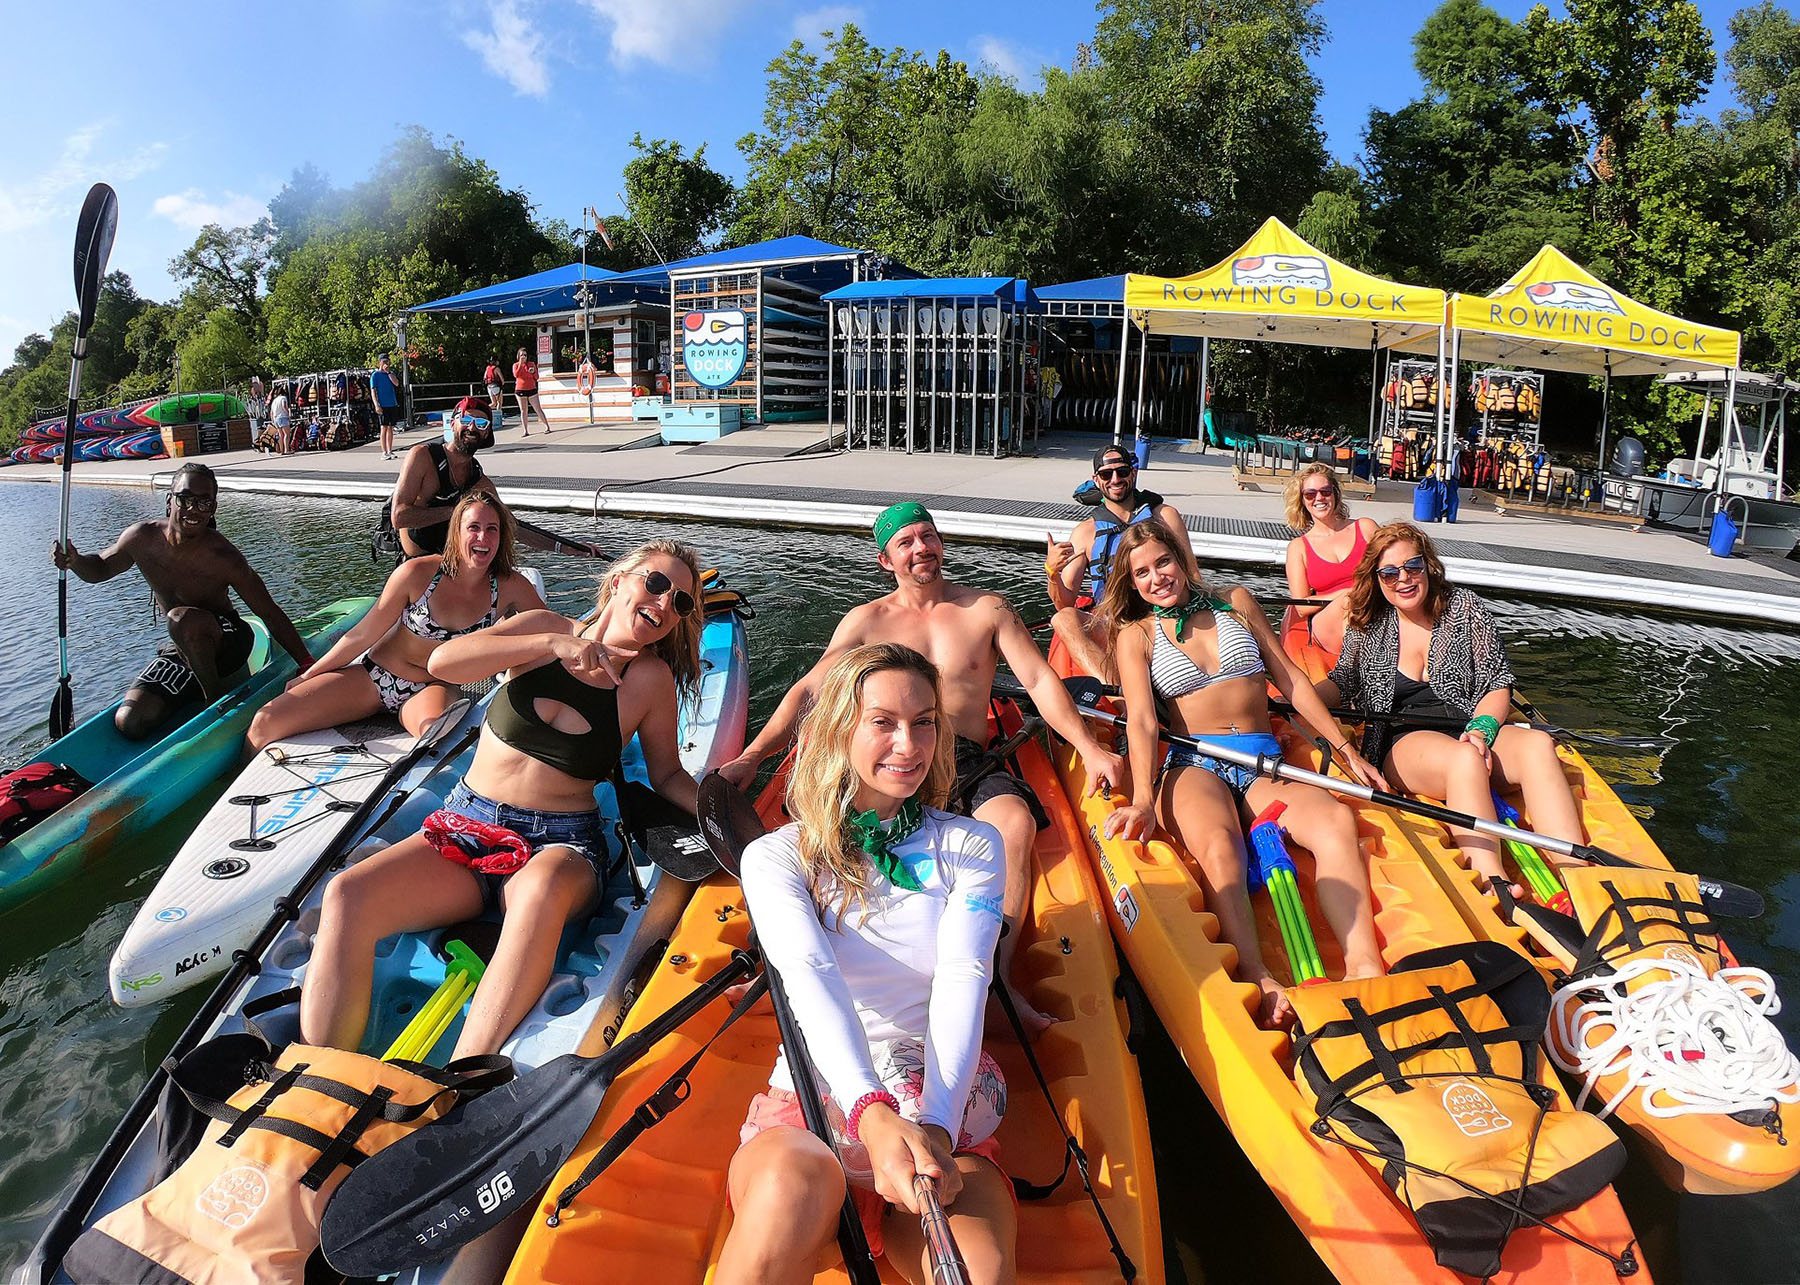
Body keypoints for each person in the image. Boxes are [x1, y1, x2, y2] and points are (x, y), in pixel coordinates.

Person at [721, 501, 1123, 1035]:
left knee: (1015, 824)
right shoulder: (868, 621)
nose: (920, 549)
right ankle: (777, 972)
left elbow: (1041, 683)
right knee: (830, 838)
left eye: (927, 536)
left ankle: (993, 983)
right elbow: (809, 692)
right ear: (886, 559)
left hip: (963, 758)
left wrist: (1090, 749)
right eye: (905, 542)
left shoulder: (986, 610)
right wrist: (753, 754)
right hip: (891, 759)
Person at [299, 538, 705, 1057]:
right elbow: (445, 663)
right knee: (347, 896)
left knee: (539, 890)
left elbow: (667, 773)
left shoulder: (650, 679)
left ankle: (461, 1079)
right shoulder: (543, 626)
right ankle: (316, 1075)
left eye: (682, 602)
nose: (667, 602)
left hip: (561, 845)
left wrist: (732, 824)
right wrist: (550, 646)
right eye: (656, 583)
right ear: (620, 580)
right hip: (466, 826)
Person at [725, 643, 1015, 1285]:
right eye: (883, 722)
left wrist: (935, 1125)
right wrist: (869, 1114)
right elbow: (808, 974)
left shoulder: (970, 845)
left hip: (939, 1100)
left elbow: (965, 980)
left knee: (977, 1275)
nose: (909, 745)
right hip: (817, 1102)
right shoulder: (778, 858)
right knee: (785, 1191)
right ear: (839, 729)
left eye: (925, 722)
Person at [1099, 518, 1385, 1028]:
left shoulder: (1237, 601)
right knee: (1219, 843)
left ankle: (1364, 961)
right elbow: (1142, 720)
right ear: (1132, 583)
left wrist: (1344, 750)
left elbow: (1292, 682)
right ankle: (1257, 975)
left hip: (1263, 759)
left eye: (1163, 562)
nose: (1156, 578)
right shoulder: (1137, 635)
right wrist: (1143, 798)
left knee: (1336, 823)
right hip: (1194, 764)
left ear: (1181, 561)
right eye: (1141, 573)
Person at [1314, 522, 1585, 895]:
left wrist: (1482, 730)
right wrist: (1297, 698)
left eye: (1413, 567)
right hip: (1405, 740)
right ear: (1376, 578)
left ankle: (1578, 872)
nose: (1404, 579)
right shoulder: (1370, 623)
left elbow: (1496, 682)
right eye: (1390, 573)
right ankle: (1495, 881)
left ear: (1429, 566)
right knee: (1463, 759)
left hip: (1468, 727)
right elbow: (1343, 682)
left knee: (1537, 745)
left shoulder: (1464, 608)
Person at [246, 489, 545, 751]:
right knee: (264, 723)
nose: (482, 537)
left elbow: (553, 629)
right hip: (375, 679)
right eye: (474, 527)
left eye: (492, 529)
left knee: (434, 734)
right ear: (457, 532)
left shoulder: (509, 586)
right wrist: (310, 675)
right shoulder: (417, 574)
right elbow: (362, 636)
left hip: (433, 689)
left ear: (502, 536)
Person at [49, 463, 315, 740]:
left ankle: (215, 703)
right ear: (169, 499)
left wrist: (307, 663)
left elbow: (268, 612)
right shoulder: (141, 538)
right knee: (130, 721)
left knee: (181, 619)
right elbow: (101, 569)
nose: (194, 509)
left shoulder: (224, 557)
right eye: (186, 499)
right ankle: (192, 689)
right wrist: (75, 561)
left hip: (229, 642)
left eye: (204, 503)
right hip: (182, 649)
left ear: (213, 508)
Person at [1045, 443, 1194, 679]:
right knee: (1063, 618)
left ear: (1133, 473)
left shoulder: (1164, 517)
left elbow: (1193, 576)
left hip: (1160, 618)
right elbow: (1064, 603)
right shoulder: (1085, 532)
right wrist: (1052, 573)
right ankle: (1115, 691)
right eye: (1106, 474)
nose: (1115, 479)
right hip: (1112, 623)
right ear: (1096, 480)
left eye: (1122, 472)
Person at [1283, 463, 1377, 655]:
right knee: (1347, 602)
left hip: (1373, 608)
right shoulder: (1298, 547)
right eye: (1310, 494)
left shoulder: (1365, 527)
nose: (1319, 498)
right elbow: (1301, 606)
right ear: (1302, 500)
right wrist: (1348, 593)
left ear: (1335, 494)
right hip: (1328, 618)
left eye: (1325, 492)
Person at [390, 397, 495, 558]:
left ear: (486, 432)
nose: (472, 427)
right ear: (452, 424)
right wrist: (457, 512)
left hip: (455, 566)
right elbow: (398, 516)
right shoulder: (422, 457)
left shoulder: (478, 480)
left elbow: (508, 524)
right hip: (417, 567)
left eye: (481, 424)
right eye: (466, 419)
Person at [371, 354, 403, 460]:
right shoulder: (375, 375)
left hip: (392, 403)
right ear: (379, 362)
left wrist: (389, 372)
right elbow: (373, 391)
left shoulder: (391, 374)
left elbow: (397, 384)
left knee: (391, 427)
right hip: (382, 404)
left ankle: (390, 450)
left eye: (387, 362)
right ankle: (384, 451)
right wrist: (376, 404)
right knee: (383, 427)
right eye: (384, 362)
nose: (386, 364)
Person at [513, 346, 547, 436]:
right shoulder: (516, 365)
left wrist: (533, 372)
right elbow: (516, 374)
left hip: (531, 388)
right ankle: (525, 430)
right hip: (520, 389)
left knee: (538, 409)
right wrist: (520, 363)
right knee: (523, 410)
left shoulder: (531, 364)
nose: (524, 357)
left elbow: (537, 377)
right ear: (518, 356)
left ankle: (547, 426)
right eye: (522, 355)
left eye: (525, 355)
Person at [268, 383, 292, 455]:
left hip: (276, 418)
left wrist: (273, 420)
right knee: (287, 434)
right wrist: (288, 415)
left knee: (281, 435)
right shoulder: (283, 398)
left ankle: (281, 450)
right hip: (283, 417)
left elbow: (271, 412)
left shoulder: (274, 400)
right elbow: (284, 406)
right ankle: (286, 450)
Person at [483, 356, 505, 426]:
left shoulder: (487, 368)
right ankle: (499, 417)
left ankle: (485, 409)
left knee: (493, 403)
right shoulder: (497, 369)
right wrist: (503, 383)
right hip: (496, 387)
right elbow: (502, 379)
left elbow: (484, 377)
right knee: (499, 402)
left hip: (489, 387)